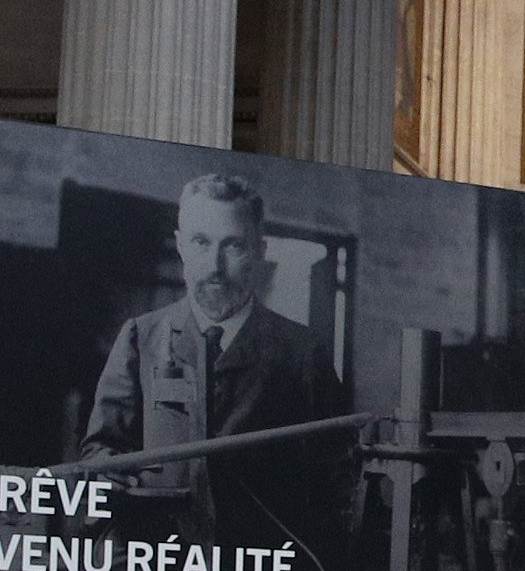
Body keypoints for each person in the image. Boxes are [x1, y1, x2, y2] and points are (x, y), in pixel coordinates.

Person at [82, 174, 353, 536]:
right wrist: (105, 471)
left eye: (233, 246)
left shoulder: (302, 352)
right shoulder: (140, 338)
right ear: (180, 246)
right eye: (201, 242)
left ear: (261, 249)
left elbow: (338, 477)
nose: (215, 266)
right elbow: (100, 450)